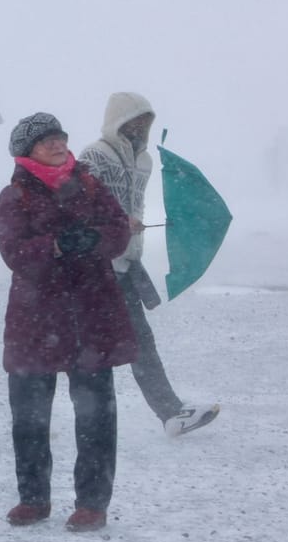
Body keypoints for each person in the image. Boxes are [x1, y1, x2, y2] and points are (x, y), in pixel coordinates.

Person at [0, 113, 137, 531]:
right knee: (30, 415)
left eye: (60, 138)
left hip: (91, 315)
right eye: (46, 141)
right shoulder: (15, 195)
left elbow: (116, 232)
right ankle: (34, 498)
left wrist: (97, 239)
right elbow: (13, 253)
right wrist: (55, 245)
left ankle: (92, 502)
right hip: (35, 318)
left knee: (95, 414)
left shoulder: (91, 184)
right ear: (26, 152)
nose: (58, 145)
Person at [77, 92, 220, 437]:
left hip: (127, 264)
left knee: (139, 343)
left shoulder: (144, 162)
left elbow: (134, 204)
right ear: (118, 121)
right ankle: (74, 418)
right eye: (134, 120)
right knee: (87, 350)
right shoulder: (94, 156)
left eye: (146, 120)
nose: (141, 127)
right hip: (97, 267)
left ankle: (171, 413)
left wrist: (132, 228)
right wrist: (113, 225)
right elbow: (78, 207)